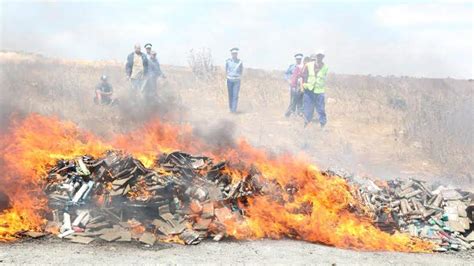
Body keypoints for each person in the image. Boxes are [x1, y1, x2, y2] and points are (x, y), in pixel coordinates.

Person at [302, 50, 329, 128]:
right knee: (308, 109)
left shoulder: (325, 67)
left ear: (323, 57)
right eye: (318, 56)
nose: (319, 57)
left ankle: (322, 125)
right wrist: (304, 85)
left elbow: (324, 78)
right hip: (309, 90)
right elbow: (304, 75)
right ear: (316, 56)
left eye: (321, 56)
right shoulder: (308, 65)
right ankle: (306, 125)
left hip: (319, 91)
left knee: (321, 109)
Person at [284, 53, 304, 117]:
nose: (298, 60)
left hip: (300, 86)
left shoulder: (303, 66)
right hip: (293, 86)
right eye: (297, 59)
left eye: (300, 59)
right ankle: (289, 113)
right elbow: (286, 74)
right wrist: (289, 80)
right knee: (293, 100)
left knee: (300, 100)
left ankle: (299, 113)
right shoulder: (292, 66)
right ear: (295, 59)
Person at [225, 47, 243, 113]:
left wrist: (238, 76)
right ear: (231, 54)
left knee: (235, 96)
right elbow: (226, 70)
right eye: (233, 53)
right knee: (230, 95)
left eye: (235, 53)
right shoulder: (228, 61)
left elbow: (241, 70)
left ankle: (234, 110)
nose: (234, 55)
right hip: (229, 80)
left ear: (237, 54)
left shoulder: (240, 62)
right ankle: (230, 109)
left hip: (237, 80)